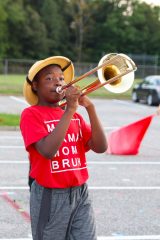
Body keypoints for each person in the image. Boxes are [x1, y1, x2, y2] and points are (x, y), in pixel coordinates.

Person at [20, 56, 107, 240]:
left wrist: (90, 108)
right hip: (50, 193)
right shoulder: (31, 114)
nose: (57, 82)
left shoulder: (75, 117)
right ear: (35, 86)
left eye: (60, 78)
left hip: (80, 192)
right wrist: (69, 110)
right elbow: (47, 151)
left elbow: (101, 147)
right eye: (49, 78)